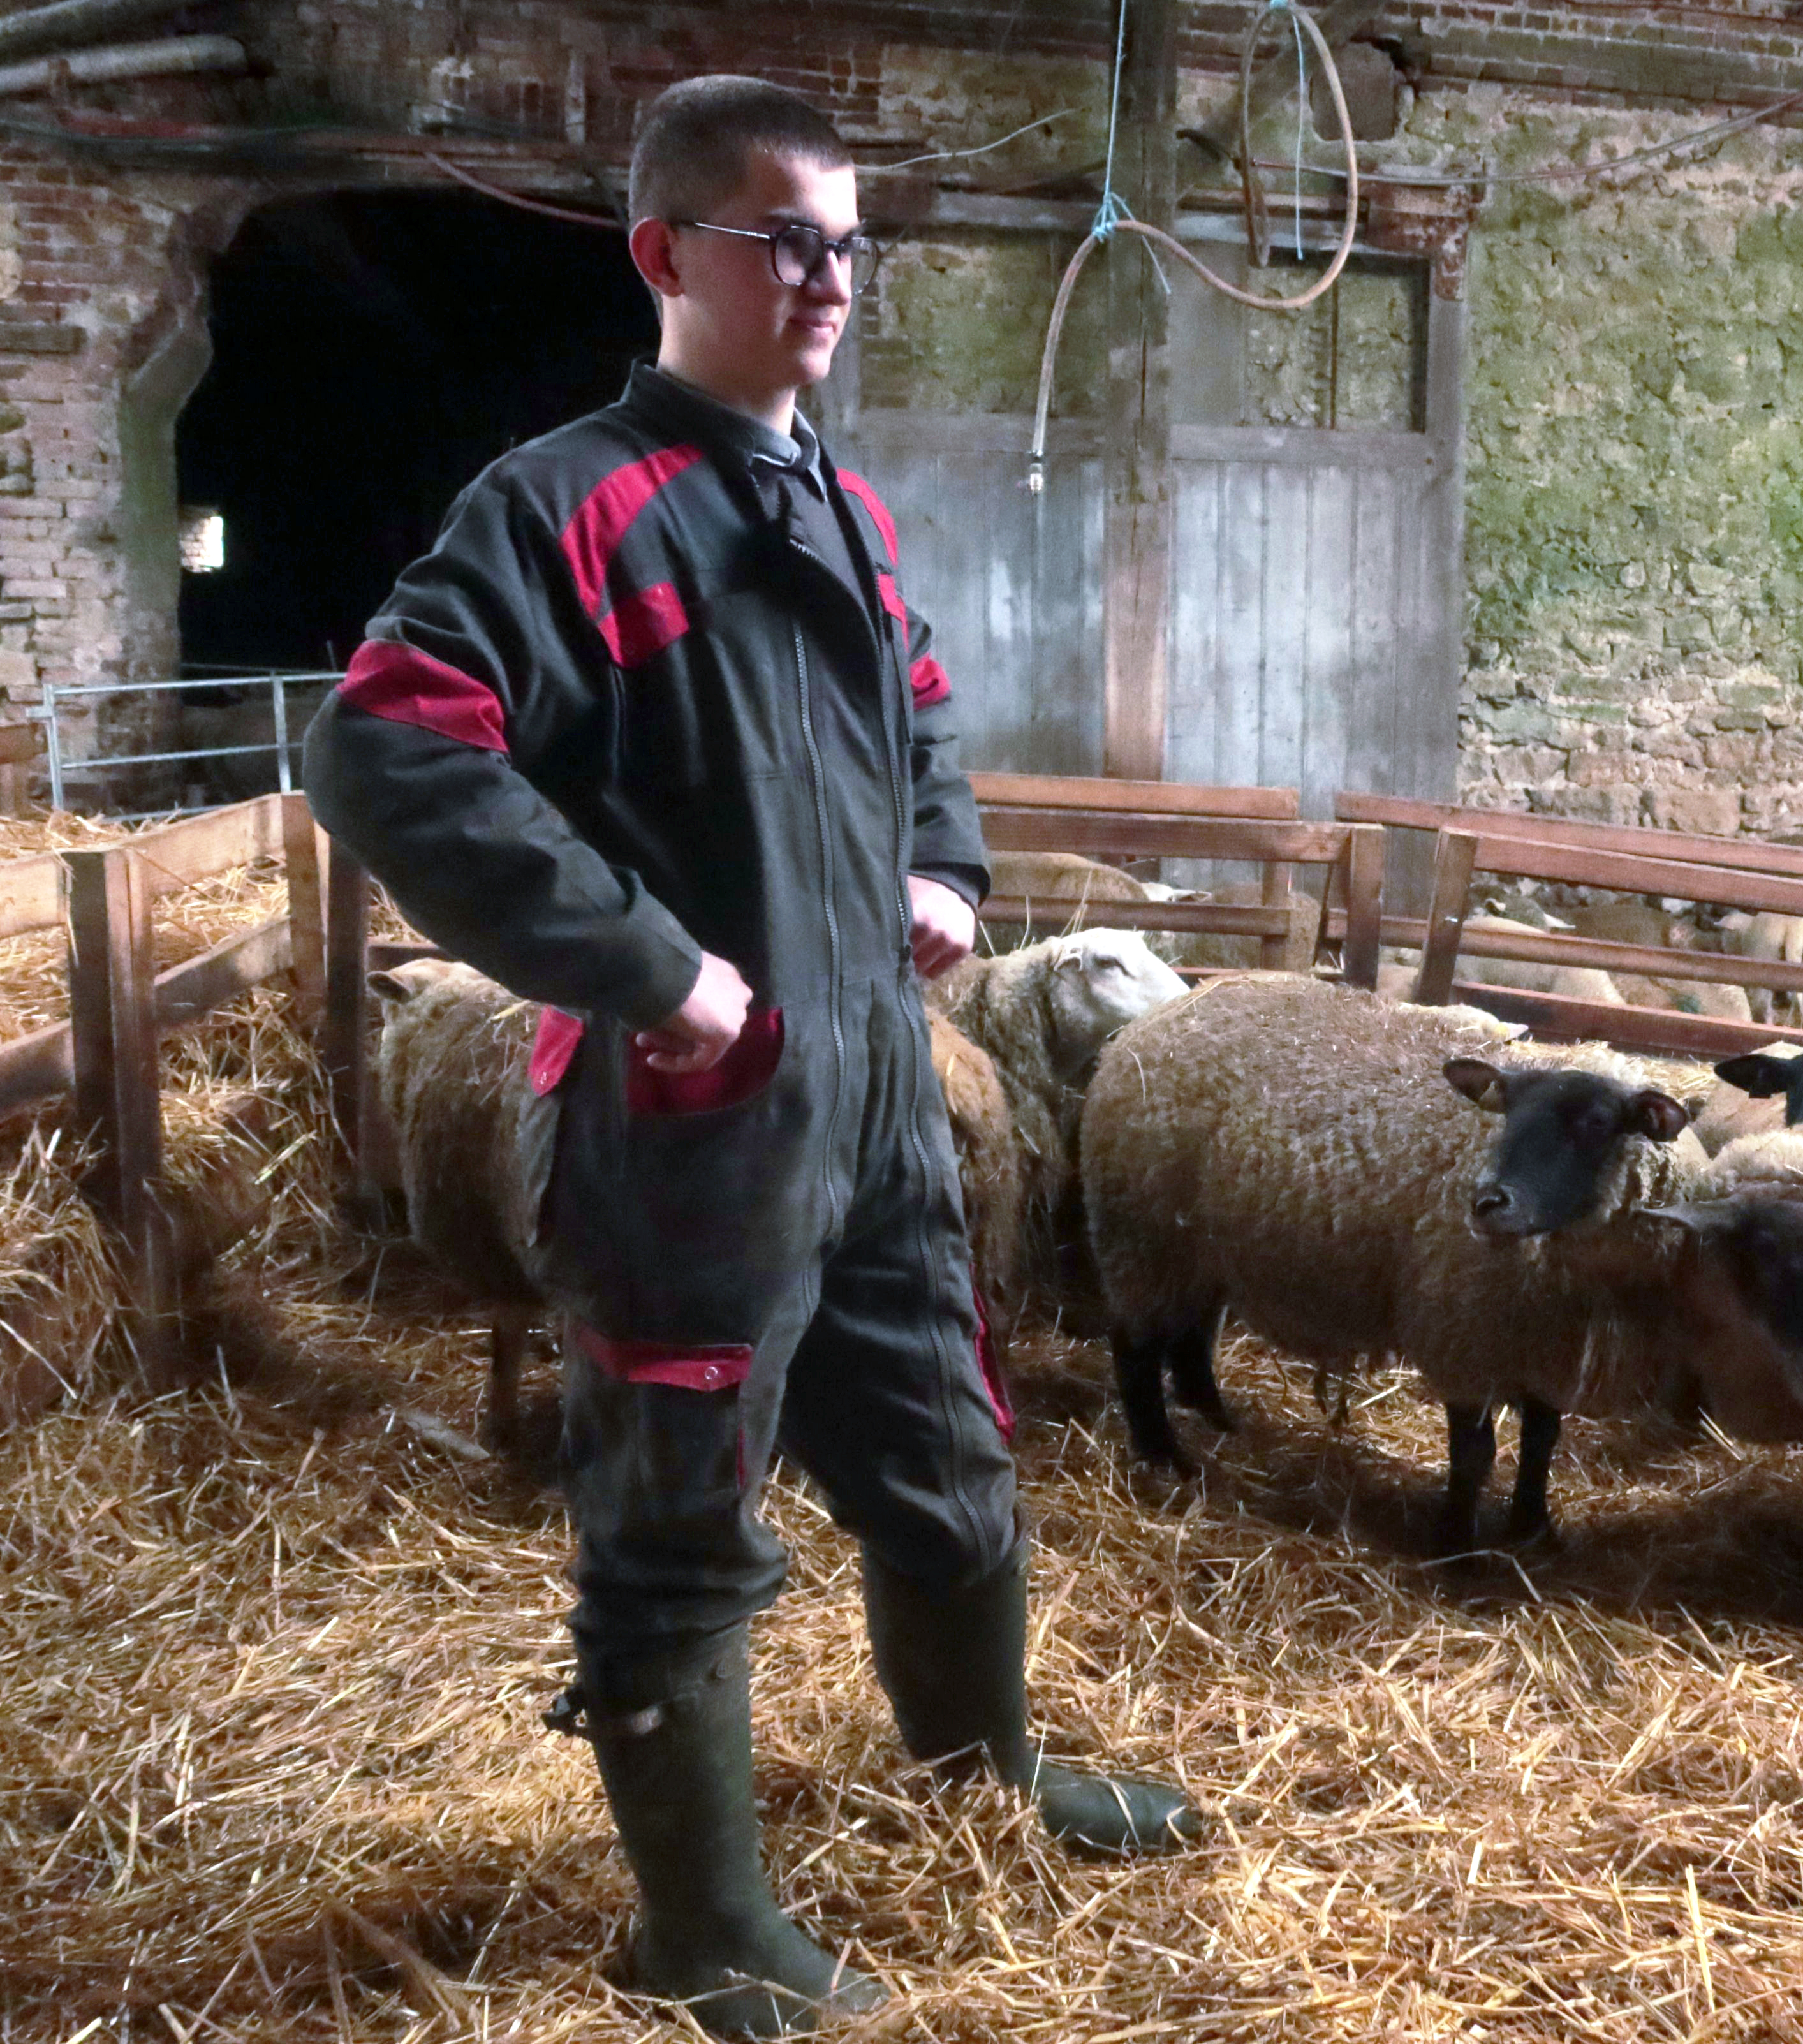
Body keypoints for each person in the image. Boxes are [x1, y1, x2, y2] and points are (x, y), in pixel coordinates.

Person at [303, 75, 1199, 2039]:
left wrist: (942, 864)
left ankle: (984, 1778)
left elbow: (929, 723)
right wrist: (650, 968)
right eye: (781, 238)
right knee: (680, 1508)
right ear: (666, 255)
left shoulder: (844, 511)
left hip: (878, 1087)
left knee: (951, 1457)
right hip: (686, 1119)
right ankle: (703, 1928)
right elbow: (381, 745)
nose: (827, 278)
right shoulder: (564, 505)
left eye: (848, 242)